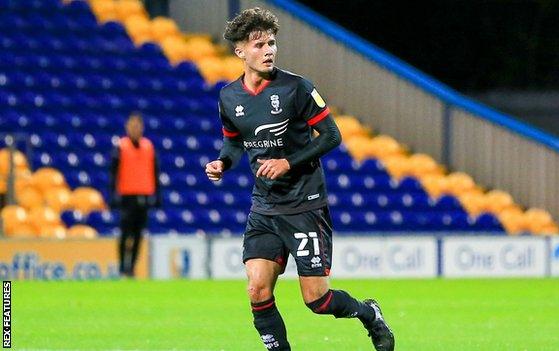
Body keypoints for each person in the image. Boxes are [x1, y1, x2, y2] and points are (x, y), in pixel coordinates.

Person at [204, 8, 394, 351]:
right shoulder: (229, 97)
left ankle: (370, 315)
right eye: (259, 44)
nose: (268, 50)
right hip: (264, 208)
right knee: (257, 289)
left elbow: (331, 136)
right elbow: (234, 140)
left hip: (304, 205)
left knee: (317, 301)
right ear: (240, 51)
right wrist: (222, 162)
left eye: (272, 43)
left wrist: (287, 163)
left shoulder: (297, 88)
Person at [110, 112, 161, 278]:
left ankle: (131, 268)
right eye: (132, 125)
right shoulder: (121, 146)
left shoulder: (148, 146)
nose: (135, 128)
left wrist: (157, 194)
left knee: (139, 234)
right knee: (125, 233)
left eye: (138, 125)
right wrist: (113, 194)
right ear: (127, 127)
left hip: (144, 195)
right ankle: (122, 267)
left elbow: (155, 172)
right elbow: (113, 172)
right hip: (127, 196)